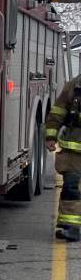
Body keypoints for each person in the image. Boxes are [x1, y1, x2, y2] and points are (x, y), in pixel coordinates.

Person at [46, 77, 81, 241]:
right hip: (73, 151)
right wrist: (51, 136)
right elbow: (58, 112)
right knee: (71, 187)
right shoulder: (74, 86)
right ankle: (70, 226)